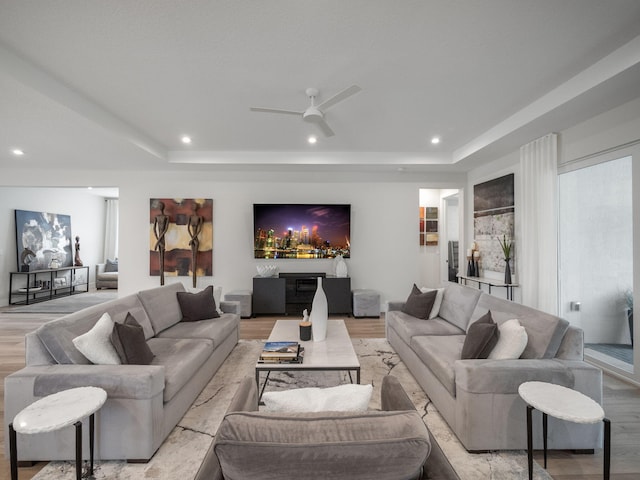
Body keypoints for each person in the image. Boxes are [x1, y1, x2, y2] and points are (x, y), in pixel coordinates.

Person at [188, 202, 204, 288]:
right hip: (192, 239)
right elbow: (188, 229)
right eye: (193, 206)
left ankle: (194, 286)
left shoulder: (200, 218)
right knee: (193, 259)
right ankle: (193, 287)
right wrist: (192, 238)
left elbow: (199, 229)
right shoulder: (190, 217)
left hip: (195, 240)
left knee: (195, 259)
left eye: (195, 206)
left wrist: (193, 238)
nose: (194, 207)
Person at [153, 201, 169, 285]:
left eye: (161, 205)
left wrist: (158, 241)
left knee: (162, 257)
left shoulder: (166, 217)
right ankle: (161, 284)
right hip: (159, 240)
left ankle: (162, 283)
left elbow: (165, 230)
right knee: (160, 259)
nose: (159, 207)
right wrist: (157, 240)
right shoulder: (157, 217)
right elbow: (154, 229)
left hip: (162, 240)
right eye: (159, 206)